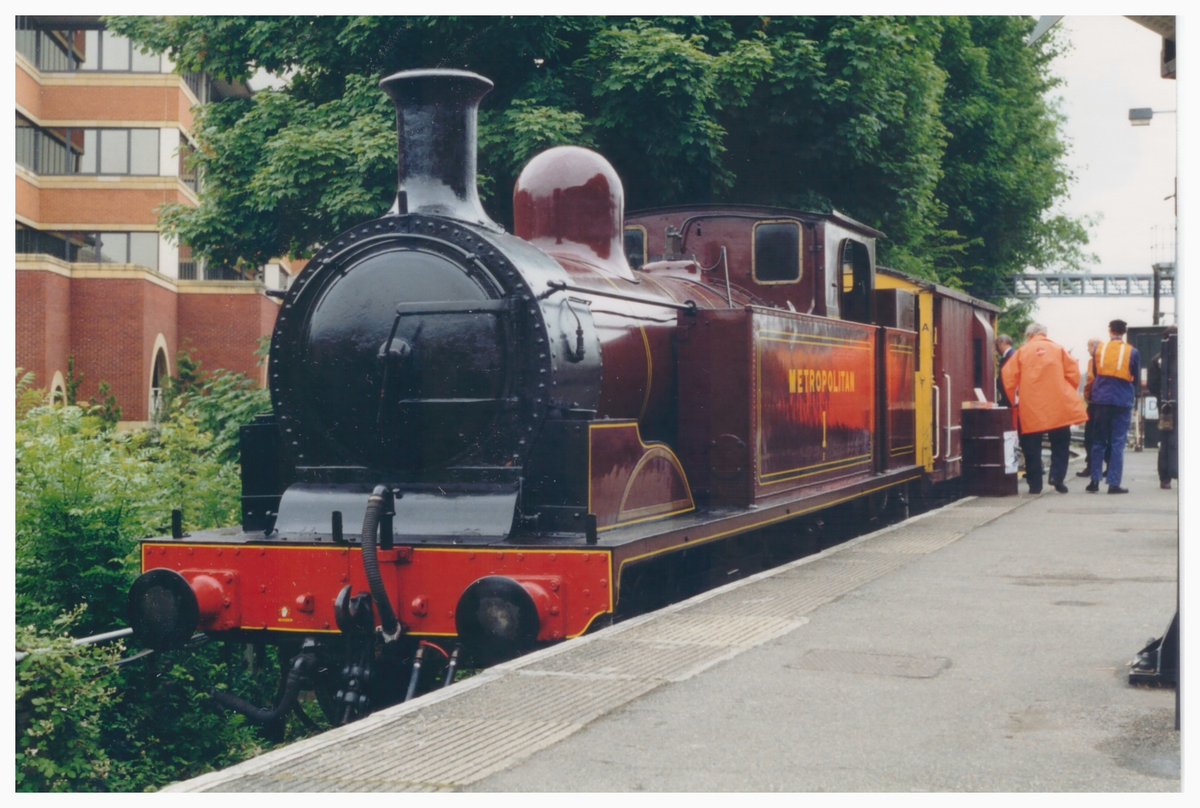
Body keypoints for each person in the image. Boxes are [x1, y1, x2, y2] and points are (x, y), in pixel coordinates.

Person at [1001, 323, 1088, 494]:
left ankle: (1035, 485)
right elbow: (1074, 374)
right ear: (1044, 334)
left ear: (1029, 335)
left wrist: (1013, 400)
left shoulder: (1022, 352)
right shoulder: (1058, 349)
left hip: (1031, 407)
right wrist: (1065, 391)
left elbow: (1008, 377)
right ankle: (1057, 477)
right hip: (1058, 405)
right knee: (1061, 442)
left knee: (1031, 446)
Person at [1086, 319, 1140, 494]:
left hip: (1101, 400)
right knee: (1117, 442)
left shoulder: (1099, 350)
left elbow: (1094, 374)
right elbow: (1136, 378)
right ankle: (1114, 483)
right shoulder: (1132, 352)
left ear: (1110, 331)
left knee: (1098, 441)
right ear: (1124, 332)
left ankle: (1094, 481)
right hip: (1122, 401)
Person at [1075, 338, 1104, 478]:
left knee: (1090, 436)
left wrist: (1087, 394)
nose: (1087, 350)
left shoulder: (1094, 361)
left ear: (1094, 347)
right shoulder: (1103, 359)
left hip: (1095, 402)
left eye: (1088, 347)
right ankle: (1104, 466)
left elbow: (1091, 381)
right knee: (1101, 436)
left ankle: (1091, 466)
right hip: (1103, 401)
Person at [995, 334, 1015, 407]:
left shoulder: (1011, 356)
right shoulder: (1011, 355)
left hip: (1008, 397)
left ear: (1002, 343)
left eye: (997, 345)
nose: (996, 349)